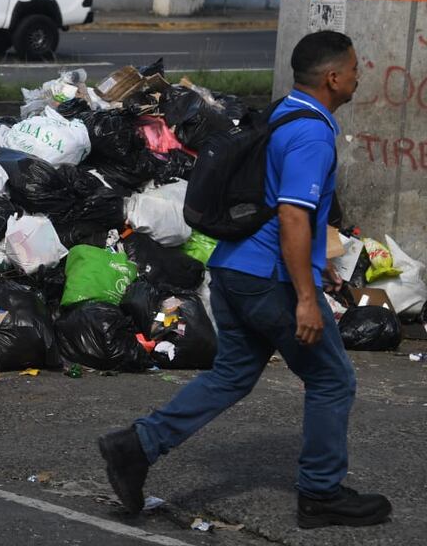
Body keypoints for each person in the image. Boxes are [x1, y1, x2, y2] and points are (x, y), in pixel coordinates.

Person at [98, 31, 392, 530]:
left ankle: (135, 446)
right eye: (356, 68)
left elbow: (276, 203)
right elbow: (294, 217)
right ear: (334, 77)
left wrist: (317, 260)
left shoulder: (282, 112)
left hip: (232, 266)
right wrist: (305, 297)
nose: (360, 77)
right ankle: (320, 494)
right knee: (332, 379)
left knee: (231, 374)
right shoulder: (312, 133)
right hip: (267, 280)